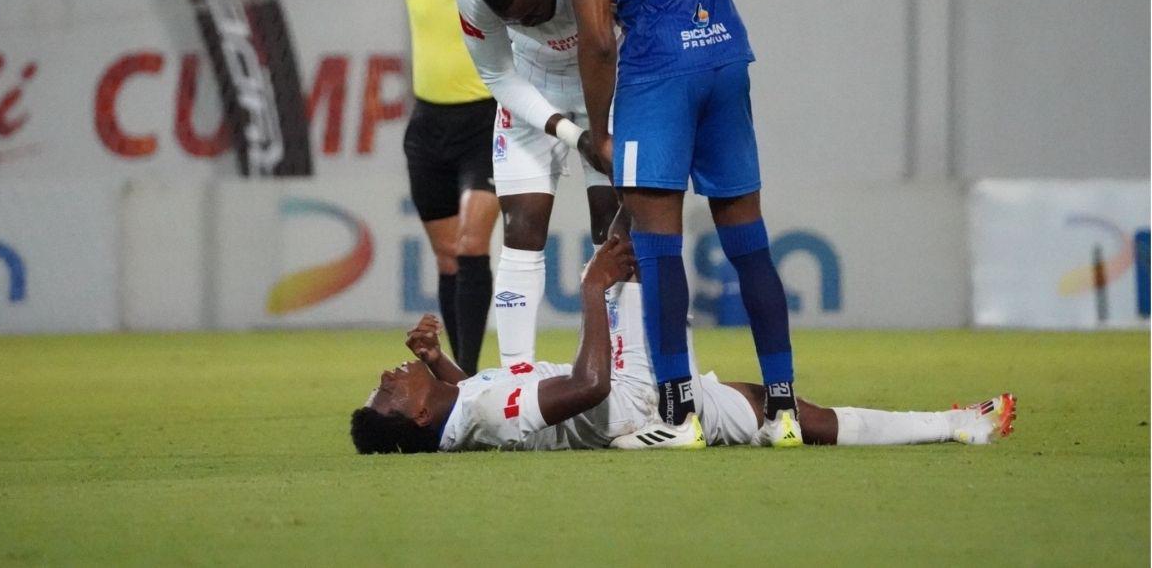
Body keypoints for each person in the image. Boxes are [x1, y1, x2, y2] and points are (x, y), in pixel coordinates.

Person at [492, 0, 799, 445]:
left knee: (658, 248)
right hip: (724, 56)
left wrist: (598, 131)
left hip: (659, 75)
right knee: (749, 242)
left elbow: (598, 38)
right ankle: (785, 411)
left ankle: (678, 415)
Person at [349, 237, 1018, 454]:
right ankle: (663, 428)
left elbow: (479, 391)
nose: (388, 372)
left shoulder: (462, 406)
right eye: (388, 388)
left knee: (774, 411)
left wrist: (439, 363)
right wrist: (590, 290)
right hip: (625, 392)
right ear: (413, 416)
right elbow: (587, 388)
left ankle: (956, 425)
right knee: (638, 222)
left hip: (626, 402)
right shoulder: (483, 417)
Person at [281, 0, 499, 374]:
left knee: (472, 244)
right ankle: (456, 375)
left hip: (486, 123)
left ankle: (466, 372)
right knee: (448, 256)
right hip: (428, 129)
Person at [452, 0, 620, 366]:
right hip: (530, 83)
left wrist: (600, 128)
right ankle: (517, 374)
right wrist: (574, 136)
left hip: (605, 76)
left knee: (614, 229)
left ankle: (618, 367)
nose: (527, 23)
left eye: (530, 12)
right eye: (513, 21)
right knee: (522, 227)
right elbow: (497, 75)